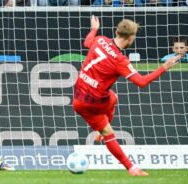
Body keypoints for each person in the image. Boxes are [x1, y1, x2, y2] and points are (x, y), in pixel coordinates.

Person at [73, 15, 180, 176]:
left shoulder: (100, 39)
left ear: (116, 31)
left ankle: (100, 129)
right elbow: (141, 82)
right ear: (131, 38)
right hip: (91, 103)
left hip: (79, 92)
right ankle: (132, 168)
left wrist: (94, 29)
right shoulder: (120, 60)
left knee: (113, 97)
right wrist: (164, 67)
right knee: (108, 133)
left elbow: (87, 42)